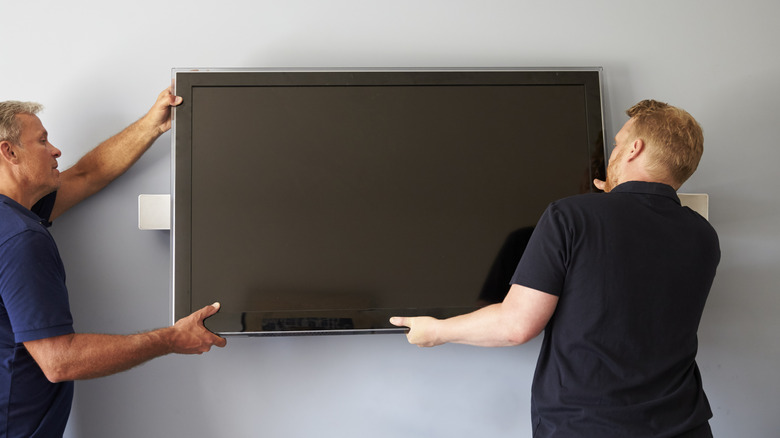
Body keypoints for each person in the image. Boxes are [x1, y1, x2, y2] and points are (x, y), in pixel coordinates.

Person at [391, 100, 720, 438]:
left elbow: (515, 326)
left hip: (588, 426)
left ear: (635, 149)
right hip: (685, 425)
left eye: (619, 143)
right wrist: (612, 202)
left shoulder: (571, 215)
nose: (613, 153)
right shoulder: (703, 235)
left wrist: (436, 331)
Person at [0, 87, 227, 437]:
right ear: (9, 151)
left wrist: (153, 124)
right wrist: (171, 339)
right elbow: (60, 361)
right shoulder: (20, 239)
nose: (56, 149)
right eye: (42, 141)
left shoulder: (13, 219)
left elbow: (86, 175)